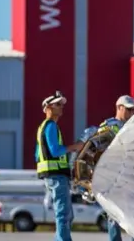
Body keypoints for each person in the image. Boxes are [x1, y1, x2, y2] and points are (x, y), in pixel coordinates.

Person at [35, 90, 84, 241]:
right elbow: (55, 151)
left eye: (62, 104)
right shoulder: (50, 126)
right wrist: (75, 147)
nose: (61, 107)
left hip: (52, 176)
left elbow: (37, 155)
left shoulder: (43, 127)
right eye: (58, 104)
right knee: (64, 214)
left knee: (67, 215)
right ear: (48, 107)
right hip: (56, 176)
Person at [98, 95, 134, 241]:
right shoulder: (108, 126)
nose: (130, 112)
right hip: (112, 176)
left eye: (133, 110)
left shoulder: (133, 125)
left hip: (130, 175)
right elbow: (98, 148)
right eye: (128, 109)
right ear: (119, 108)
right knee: (113, 213)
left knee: (133, 212)